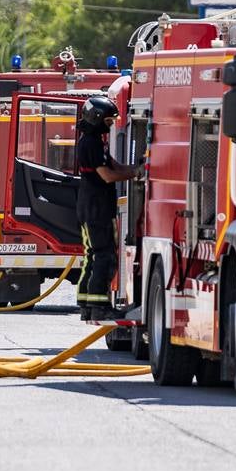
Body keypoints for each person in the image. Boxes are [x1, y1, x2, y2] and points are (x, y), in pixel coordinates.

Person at [73, 95, 139, 316]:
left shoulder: (92, 141)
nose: (110, 125)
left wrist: (136, 168)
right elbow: (108, 176)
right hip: (96, 210)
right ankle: (99, 305)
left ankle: (86, 304)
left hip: (90, 207)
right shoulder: (90, 143)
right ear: (97, 118)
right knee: (104, 255)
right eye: (109, 121)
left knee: (93, 255)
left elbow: (113, 165)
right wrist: (135, 175)